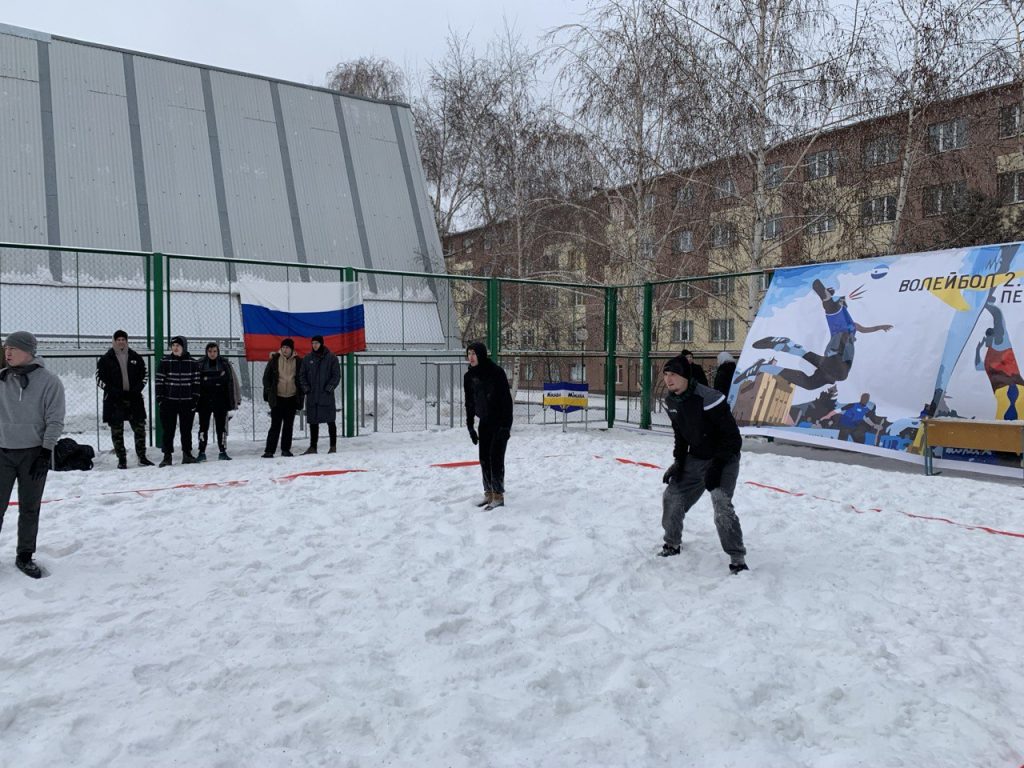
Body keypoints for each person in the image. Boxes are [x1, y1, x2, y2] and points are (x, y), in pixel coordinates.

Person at [658, 353, 748, 574]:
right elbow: (680, 434)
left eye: (674, 375)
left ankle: (737, 559)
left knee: (721, 504)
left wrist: (717, 466)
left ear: (686, 376)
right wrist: (679, 462)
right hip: (695, 459)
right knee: (672, 496)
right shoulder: (671, 400)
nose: (668, 380)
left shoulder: (710, 398)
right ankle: (672, 543)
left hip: (723, 459)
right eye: (666, 375)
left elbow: (732, 439)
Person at [739, 279, 893, 390]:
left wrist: (880, 327)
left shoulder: (854, 326)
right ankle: (826, 299)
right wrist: (832, 299)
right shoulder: (844, 324)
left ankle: (765, 367)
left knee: (810, 384)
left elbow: (865, 329)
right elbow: (837, 313)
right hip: (838, 352)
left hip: (835, 364)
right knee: (833, 313)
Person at [0, 331, 65, 578]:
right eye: (6, 348)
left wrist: (46, 451)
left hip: (33, 455)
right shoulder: (1, 379)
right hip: (2, 452)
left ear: (29, 351)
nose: (8, 352)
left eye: (13, 348)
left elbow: (55, 419)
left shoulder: (49, 382)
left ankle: (25, 556)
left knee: (29, 508)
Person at [464, 342, 513, 510]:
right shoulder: (469, 377)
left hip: (499, 422)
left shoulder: (496, 373)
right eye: (469, 353)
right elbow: (469, 403)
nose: (471, 357)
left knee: (496, 459)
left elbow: (507, 401)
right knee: (484, 459)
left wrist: (506, 426)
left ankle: (498, 496)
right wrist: (470, 426)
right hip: (484, 422)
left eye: (474, 353)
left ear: (481, 355)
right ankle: (489, 493)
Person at [95, 330, 154, 469]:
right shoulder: (105, 359)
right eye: (118, 339)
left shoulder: (135, 357)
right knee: (117, 431)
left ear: (127, 341)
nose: (121, 342)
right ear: (114, 341)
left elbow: (145, 375)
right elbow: (99, 379)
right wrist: (113, 391)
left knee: (139, 428)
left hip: (134, 399)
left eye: (123, 339)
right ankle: (122, 459)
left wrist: (137, 389)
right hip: (114, 400)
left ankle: (142, 457)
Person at [155, 335, 200, 467]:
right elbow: (159, 382)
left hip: (187, 402)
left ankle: (187, 453)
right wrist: (160, 399)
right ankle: (167, 456)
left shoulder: (193, 363)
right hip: (169, 402)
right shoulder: (165, 362)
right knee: (168, 430)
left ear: (184, 347)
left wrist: (195, 399)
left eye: (178, 346)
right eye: (173, 346)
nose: (175, 348)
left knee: (186, 430)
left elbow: (196, 383)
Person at [196, 342, 241, 461]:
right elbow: (198, 382)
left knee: (221, 427)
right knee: (203, 427)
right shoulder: (200, 364)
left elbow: (229, 381)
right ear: (206, 352)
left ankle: (222, 451)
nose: (212, 354)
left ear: (218, 352)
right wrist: (216, 379)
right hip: (204, 401)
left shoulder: (224, 363)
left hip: (220, 401)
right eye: (210, 351)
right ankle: (201, 452)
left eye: (214, 351)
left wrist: (234, 399)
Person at [262, 338, 304, 458]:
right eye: (283, 347)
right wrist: (270, 391)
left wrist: (300, 393)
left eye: (287, 348)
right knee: (275, 425)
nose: (285, 350)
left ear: (292, 349)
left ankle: (286, 449)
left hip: (291, 397)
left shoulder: (298, 361)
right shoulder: (274, 360)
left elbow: (301, 378)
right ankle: (269, 450)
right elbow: (266, 377)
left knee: (288, 425)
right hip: (278, 398)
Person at [300, 335, 340, 454]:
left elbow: (336, 375)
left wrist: (329, 388)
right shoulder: (307, 358)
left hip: (326, 396)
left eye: (317, 343)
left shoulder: (331, 358)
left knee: (330, 421)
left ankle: (333, 446)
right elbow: (301, 375)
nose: (315, 345)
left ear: (321, 344)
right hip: (312, 395)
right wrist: (306, 389)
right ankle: (313, 447)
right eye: (313, 343)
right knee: (313, 421)